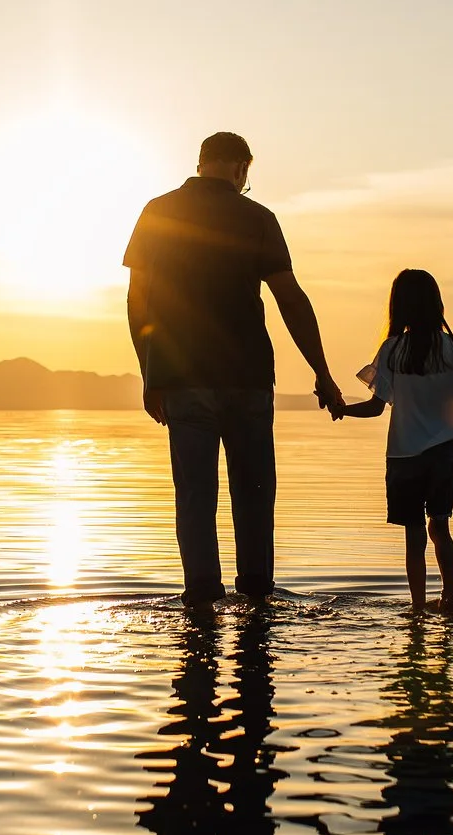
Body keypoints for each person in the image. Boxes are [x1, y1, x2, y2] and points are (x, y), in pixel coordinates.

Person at [124, 132, 343, 605]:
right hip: (248, 379)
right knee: (255, 497)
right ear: (242, 167)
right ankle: (258, 599)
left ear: (202, 163)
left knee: (196, 499)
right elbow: (291, 298)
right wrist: (323, 374)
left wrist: (150, 373)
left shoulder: (158, 211)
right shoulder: (257, 217)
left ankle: (201, 601)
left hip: (183, 380)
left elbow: (137, 301)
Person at [327, 269, 453, 611]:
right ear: (436, 304)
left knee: (414, 536)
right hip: (444, 452)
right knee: (440, 527)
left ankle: (417, 609)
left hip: (404, 456)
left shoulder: (392, 350)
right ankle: (450, 595)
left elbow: (375, 408)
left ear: (398, 306)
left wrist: (342, 410)